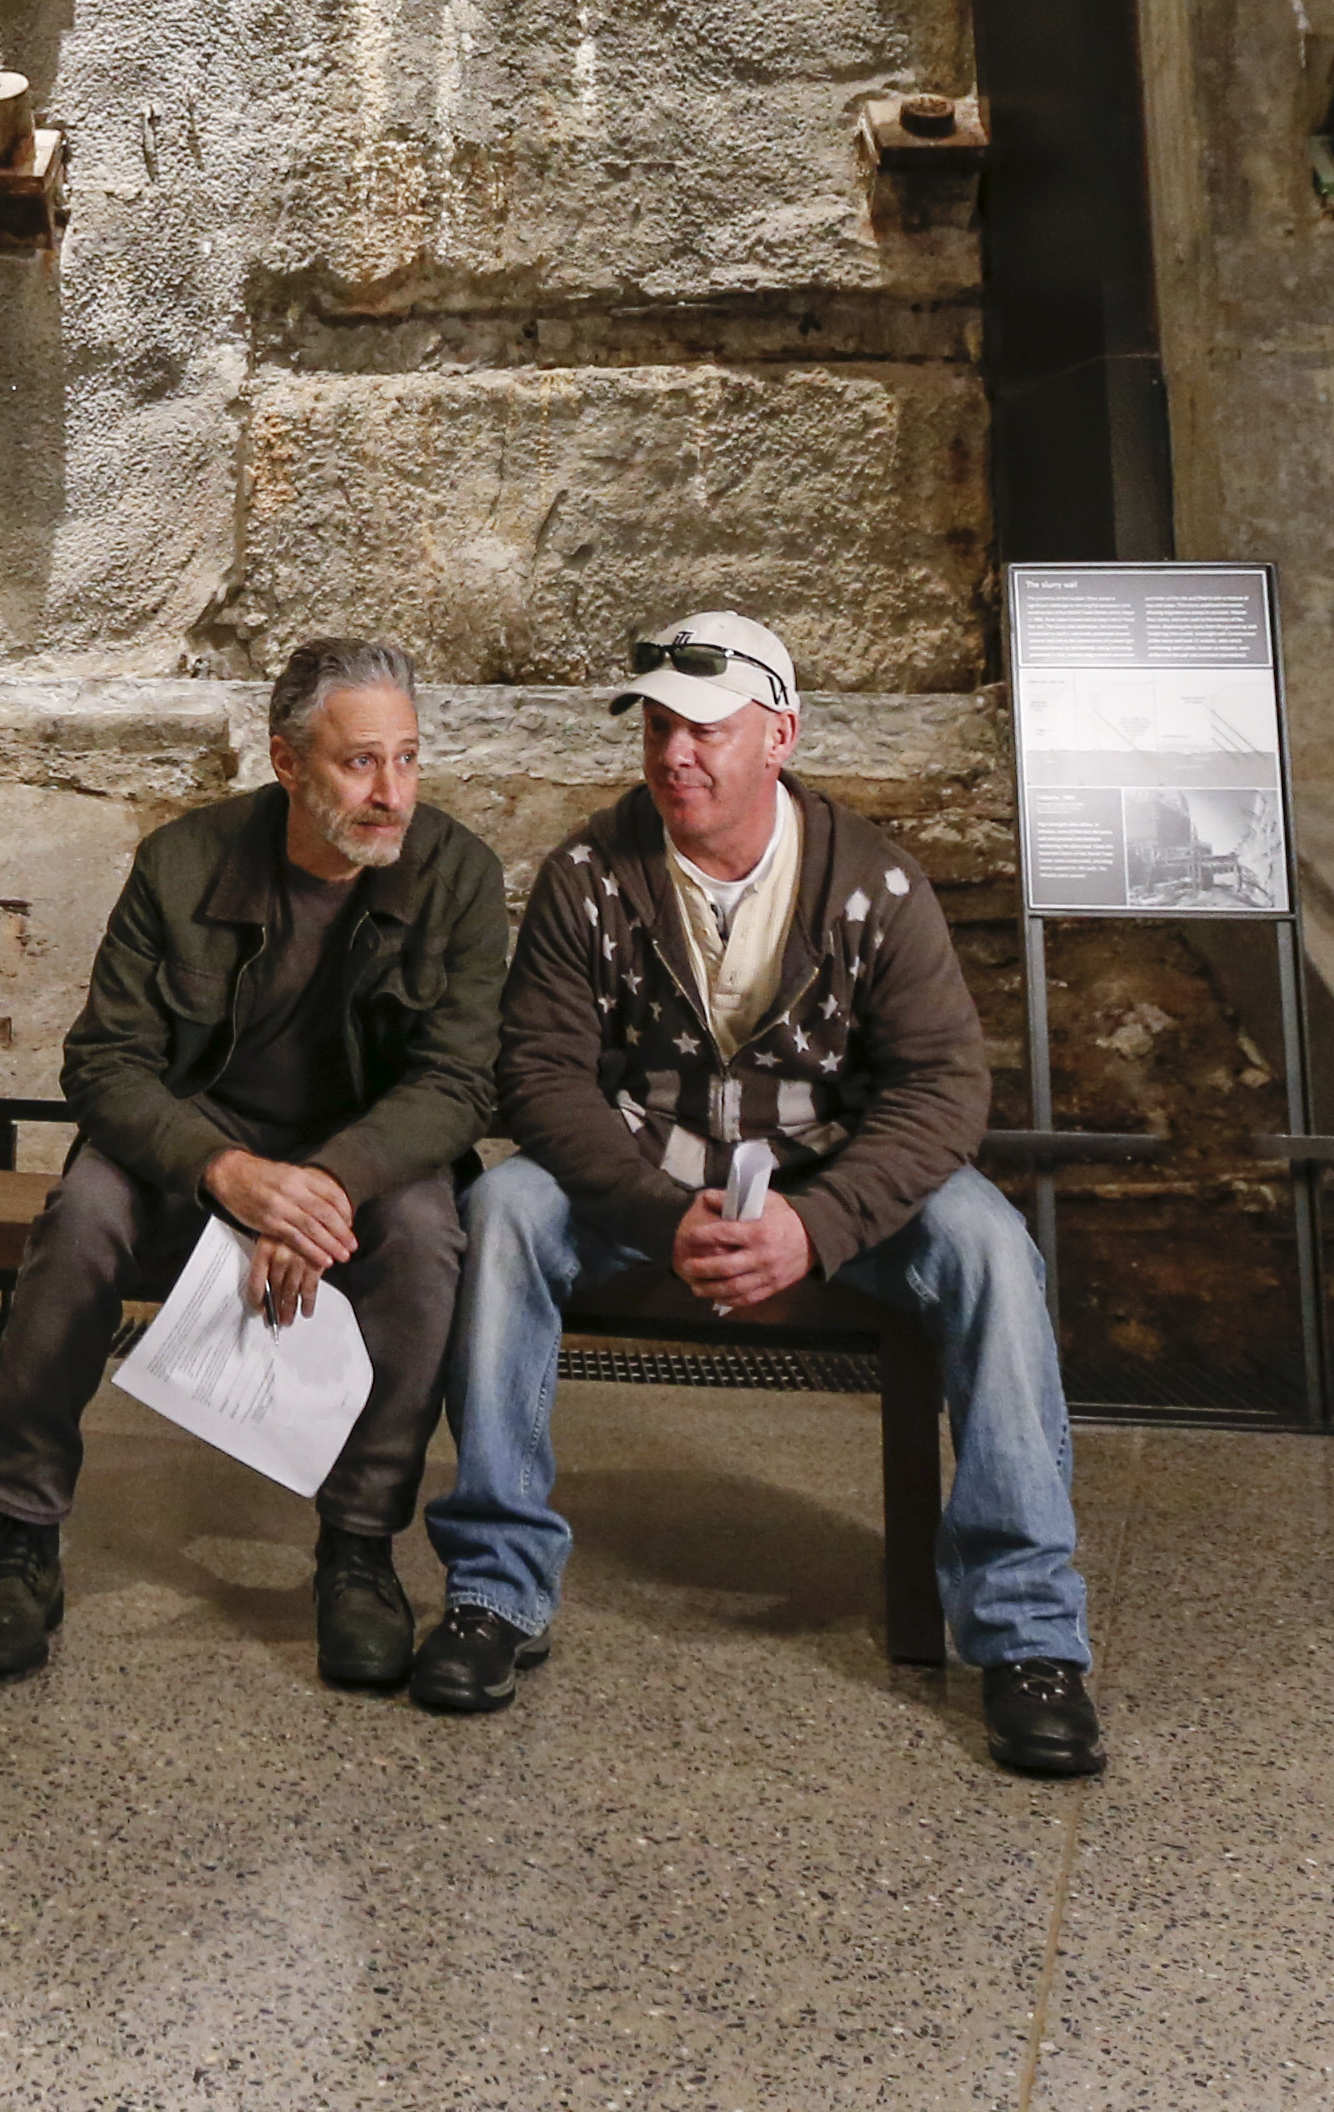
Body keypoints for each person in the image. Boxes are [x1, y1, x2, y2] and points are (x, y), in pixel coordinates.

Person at [416, 607, 1106, 1776]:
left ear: (778, 735)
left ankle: (1029, 1637)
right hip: (648, 1181)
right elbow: (539, 1074)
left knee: (989, 1244)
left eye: (703, 729)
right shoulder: (591, 876)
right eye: (655, 729)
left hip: (826, 1183)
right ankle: (495, 1589)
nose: (673, 753)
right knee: (504, 1213)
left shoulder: (873, 883)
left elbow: (944, 1089)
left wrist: (820, 1224)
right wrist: (647, 1211)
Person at [0, 636, 508, 1691]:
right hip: (196, 1155)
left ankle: (357, 1548)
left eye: (407, 759)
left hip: (359, 1166)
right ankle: (20, 1539)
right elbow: (105, 1063)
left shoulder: (459, 876)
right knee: (79, 1219)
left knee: (430, 1233)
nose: (391, 793)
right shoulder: (181, 861)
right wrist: (230, 1173)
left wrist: (329, 1183)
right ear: (287, 762)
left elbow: (458, 1082)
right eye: (359, 763)